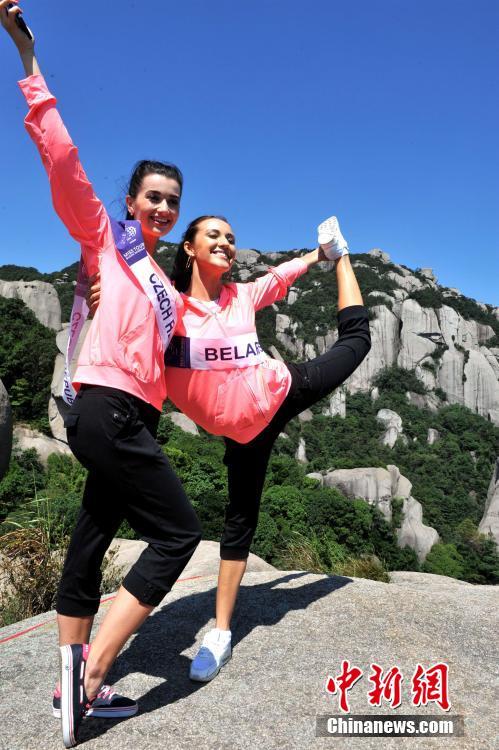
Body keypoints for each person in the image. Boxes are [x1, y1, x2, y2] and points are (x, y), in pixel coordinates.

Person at [1, 3, 201, 747]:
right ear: (130, 202)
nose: (162, 208)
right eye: (153, 197)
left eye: (172, 203)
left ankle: (71, 672)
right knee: (179, 534)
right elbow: (63, 162)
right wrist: (29, 66)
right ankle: (88, 680)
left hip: (125, 417)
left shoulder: (163, 287)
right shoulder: (105, 246)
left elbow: (183, 366)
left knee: (89, 542)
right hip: (104, 407)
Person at [88, 214, 370, 681]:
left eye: (231, 238)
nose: (226, 243)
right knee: (240, 519)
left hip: (280, 392)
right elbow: (129, 307)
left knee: (357, 341)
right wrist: (107, 297)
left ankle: (344, 255)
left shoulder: (240, 297)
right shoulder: (169, 308)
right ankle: (220, 631)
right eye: (213, 235)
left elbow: (278, 277)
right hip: (242, 433)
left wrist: (322, 254)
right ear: (189, 248)